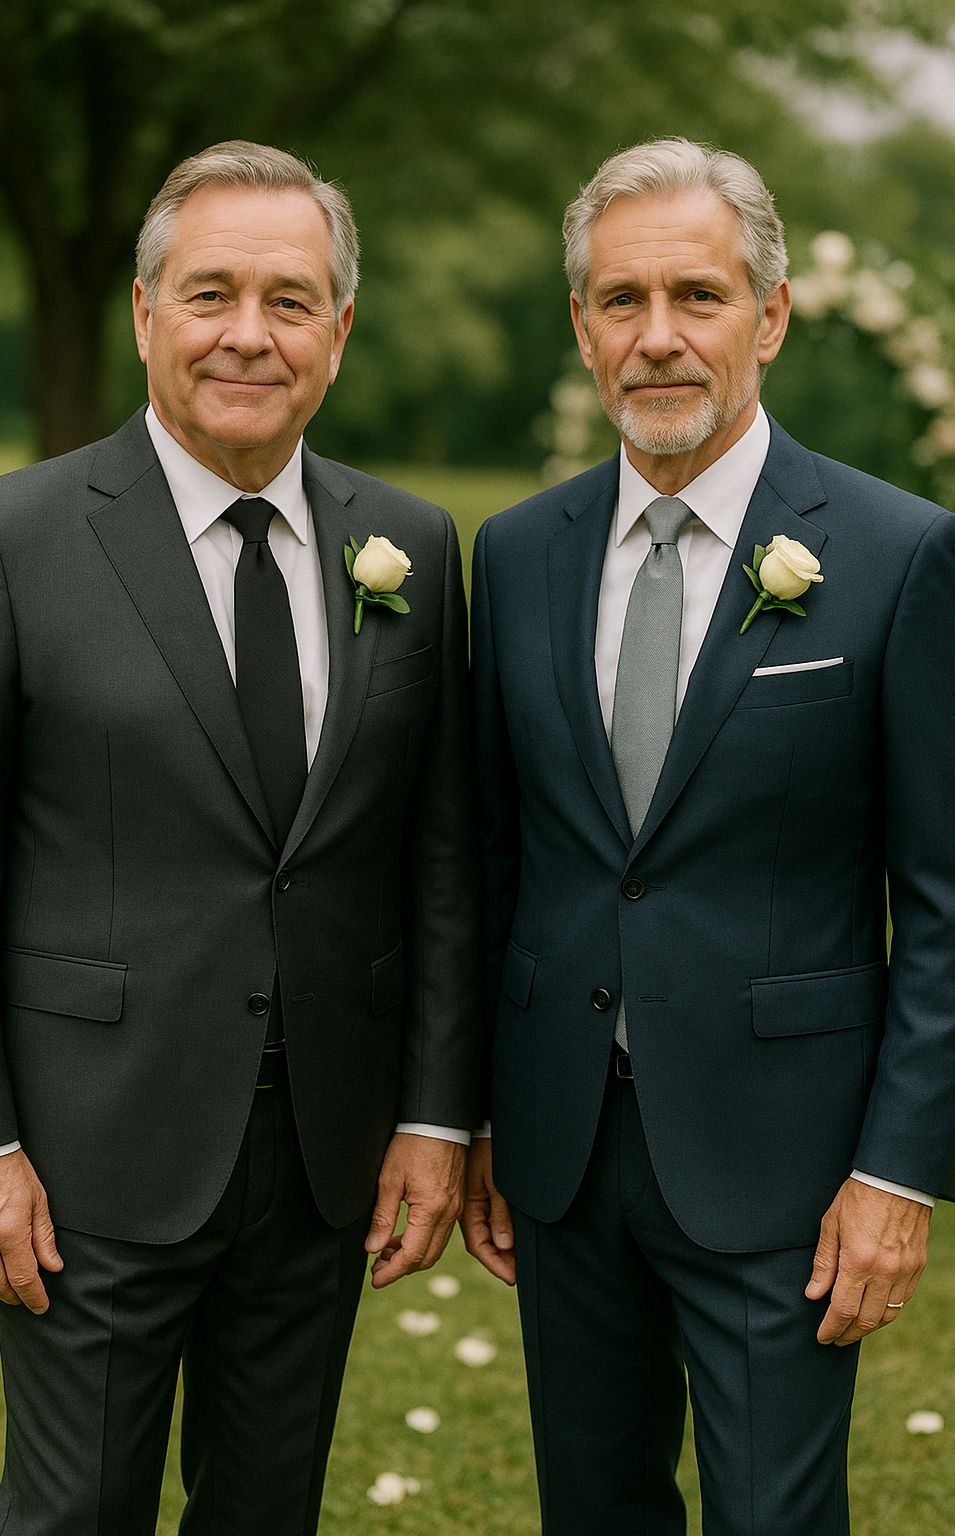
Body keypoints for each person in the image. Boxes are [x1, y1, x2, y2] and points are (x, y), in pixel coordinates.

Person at [0, 140, 482, 1535]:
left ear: (340, 334)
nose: (250, 333)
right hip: (87, 1156)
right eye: (212, 292)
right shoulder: (8, 539)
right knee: (77, 1511)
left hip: (320, 1161)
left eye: (291, 301)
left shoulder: (409, 549)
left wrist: (428, 1115)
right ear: (143, 312)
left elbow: (434, 855)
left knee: (269, 1511)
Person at [462, 137, 955, 1534]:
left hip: (787, 1164)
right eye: (622, 301)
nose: (659, 338)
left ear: (773, 314)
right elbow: (501, 860)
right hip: (563, 1153)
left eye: (699, 295)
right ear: (581, 327)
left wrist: (896, 1173)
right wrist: (488, 1104)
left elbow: (944, 899)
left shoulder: (897, 553)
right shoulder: (513, 555)